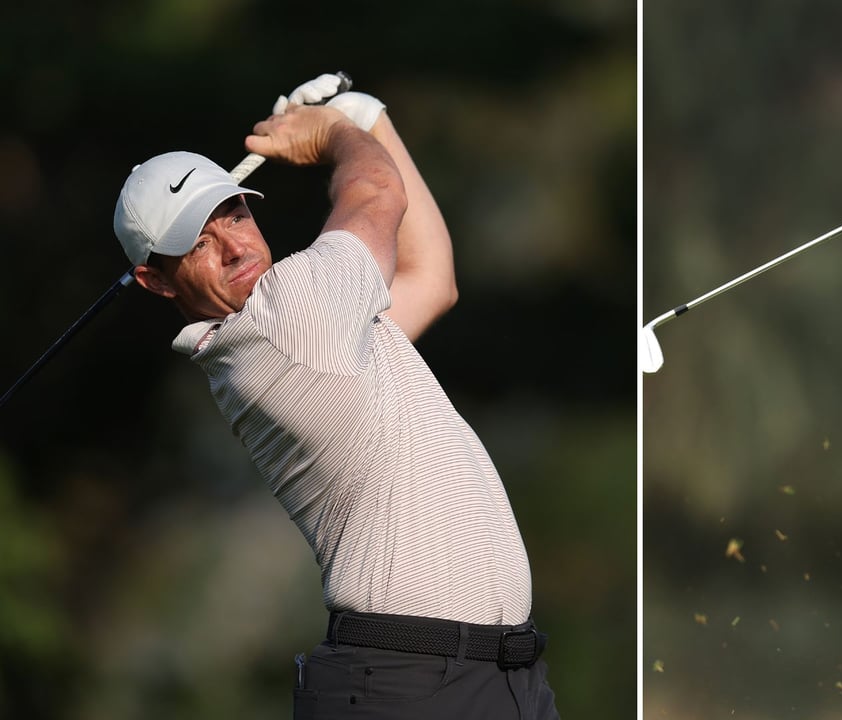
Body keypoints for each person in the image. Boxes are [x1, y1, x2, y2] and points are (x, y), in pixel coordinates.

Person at [112, 74, 560, 719]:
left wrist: (370, 119)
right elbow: (375, 192)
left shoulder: (323, 329)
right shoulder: (285, 323)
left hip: (495, 677)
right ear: (155, 279)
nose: (236, 246)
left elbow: (430, 279)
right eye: (198, 243)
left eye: (234, 214)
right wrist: (335, 133)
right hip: (407, 685)